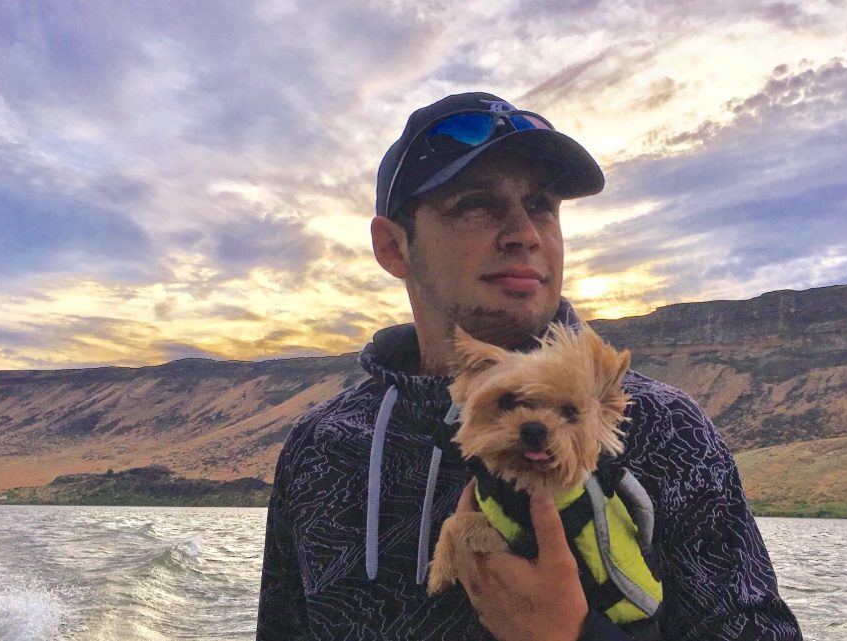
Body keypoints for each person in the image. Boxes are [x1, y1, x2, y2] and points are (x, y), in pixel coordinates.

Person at [255, 92, 803, 640]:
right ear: (394, 247)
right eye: (476, 204)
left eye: (541, 205)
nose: (525, 232)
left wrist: (573, 635)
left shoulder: (661, 426)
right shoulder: (323, 447)